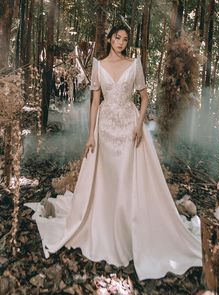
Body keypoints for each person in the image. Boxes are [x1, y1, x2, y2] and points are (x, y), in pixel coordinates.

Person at [24, 24, 202, 281]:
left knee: (127, 176)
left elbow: (144, 96)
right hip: (105, 127)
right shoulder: (98, 65)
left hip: (129, 125)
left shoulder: (134, 64)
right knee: (106, 179)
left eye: (125, 39)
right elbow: (96, 101)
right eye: (117, 37)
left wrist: (140, 125)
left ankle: (130, 229)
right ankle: (104, 227)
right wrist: (90, 134)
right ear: (109, 39)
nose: (121, 42)